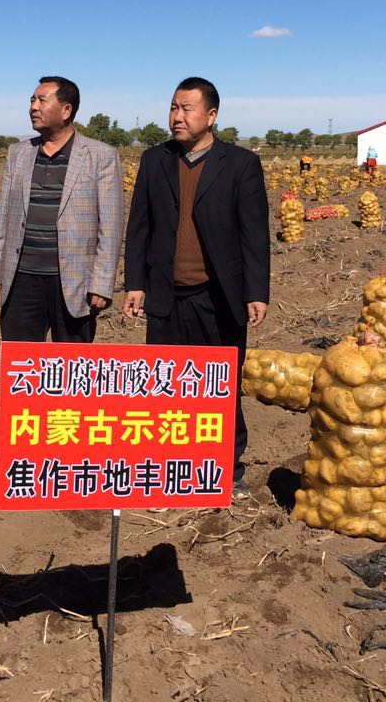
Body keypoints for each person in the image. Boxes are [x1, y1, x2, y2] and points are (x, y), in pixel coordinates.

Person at [123, 77, 270, 499]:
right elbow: (140, 226)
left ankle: (226, 469)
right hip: (166, 293)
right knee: (164, 384)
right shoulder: (155, 160)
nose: (177, 116)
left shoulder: (240, 164)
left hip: (218, 295)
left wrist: (255, 291)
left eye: (187, 108)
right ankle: (167, 467)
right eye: (173, 107)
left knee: (220, 385)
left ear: (211, 115)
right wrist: (135, 283)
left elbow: (254, 234)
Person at [0, 76, 123, 448]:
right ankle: (17, 432)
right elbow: (3, 216)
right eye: (31, 99)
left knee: (72, 364)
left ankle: (67, 434)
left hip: (74, 281)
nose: (33, 106)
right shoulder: (19, 153)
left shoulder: (99, 155)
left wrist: (102, 283)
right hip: (22, 277)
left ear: (66, 110)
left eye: (41, 100)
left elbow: (111, 226)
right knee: (21, 361)